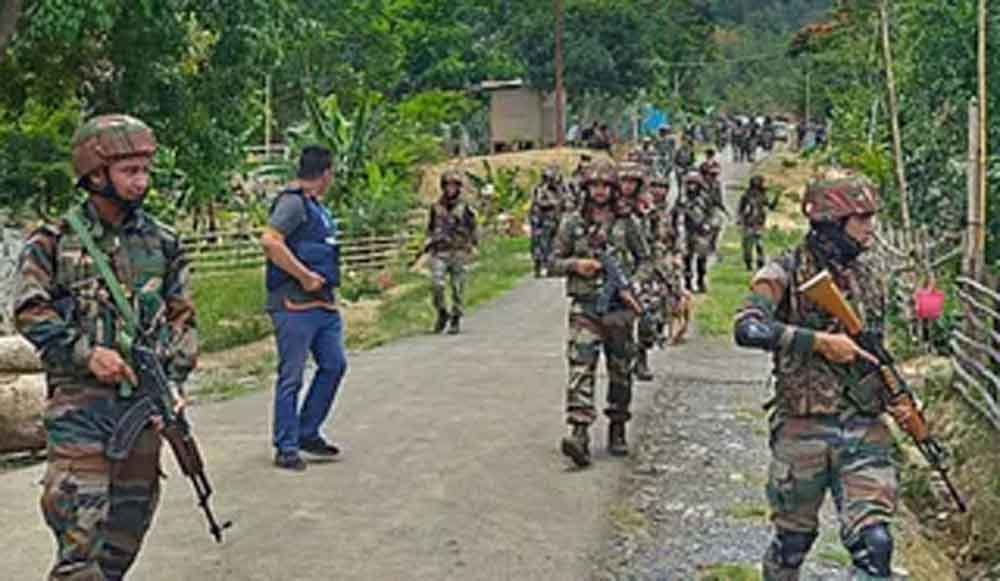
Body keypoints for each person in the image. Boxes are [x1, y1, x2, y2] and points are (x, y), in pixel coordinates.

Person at [14, 114, 198, 579]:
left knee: (124, 535)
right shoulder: (53, 242)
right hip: (80, 410)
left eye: (145, 170)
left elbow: (182, 318)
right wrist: (86, 354)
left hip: (141, 411)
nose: (141, 181)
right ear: (96, 175)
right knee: (81, 536)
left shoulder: (163, 242)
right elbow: (30, 311)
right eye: (129, 171)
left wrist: (174, 382)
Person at [733, 176, 898, 581]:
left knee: (875, 546)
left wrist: (896, 392)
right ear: (832, 222)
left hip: (862, 427)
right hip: (802, 426)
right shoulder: (785, 270)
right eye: (861, 218)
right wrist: (818, 342)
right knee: (792, 544)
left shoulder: (869, 274)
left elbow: (876, 349)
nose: (870, 226)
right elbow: (748, 328)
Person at [550, 161, 650, 466]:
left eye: (605, 186)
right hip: (586, 308)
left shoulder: (627, 223)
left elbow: (645, 260)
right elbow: (552, 261)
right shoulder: (572, 222)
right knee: (580, 368)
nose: (600, 191)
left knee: (621, 371)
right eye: (594, 185)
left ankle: (618, 426)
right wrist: (575, 265)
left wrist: (631, 285)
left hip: (618, 311)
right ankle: (579, 432)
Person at [260, 145, 348, 471]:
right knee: (292, 376)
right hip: (293, 304)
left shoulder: (316, 207)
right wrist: (304, 275)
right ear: (326, 174)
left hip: (323, 303)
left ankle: (307, 431)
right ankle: (286, 446)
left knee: (334, 364)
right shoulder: (292, 203)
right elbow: (270, 241)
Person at [426, 169, 478, 334]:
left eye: (454, 185)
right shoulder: (436, 207)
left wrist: (472, 245)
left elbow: (473, 227)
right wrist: (429, 242)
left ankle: (456, 317)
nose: (450, 189)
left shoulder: (465, 208)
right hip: (440, 251)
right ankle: (442, 312)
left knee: (457, 288)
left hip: (459, 251)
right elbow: (430, 228)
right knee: (437, 284)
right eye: (448, 185)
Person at [530, 166, 565, 277]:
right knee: (542, 244)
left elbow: (563, 201)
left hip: (553, 220)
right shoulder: (541, 189)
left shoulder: (558, 189)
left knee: (554, 244)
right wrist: (552, 203)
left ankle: (550, 266)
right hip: (541, 220)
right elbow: (539, 202)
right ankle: (541, 266)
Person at [738, 175, 778, 270]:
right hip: (749, 222)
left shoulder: (762, 195)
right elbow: (741, 210)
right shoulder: (747, 196)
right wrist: (741, 220)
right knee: (748, 245)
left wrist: (776, 198)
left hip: (758, 222)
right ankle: (749, 263)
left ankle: (759, 262)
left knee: (758, 244)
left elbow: (770, 207)